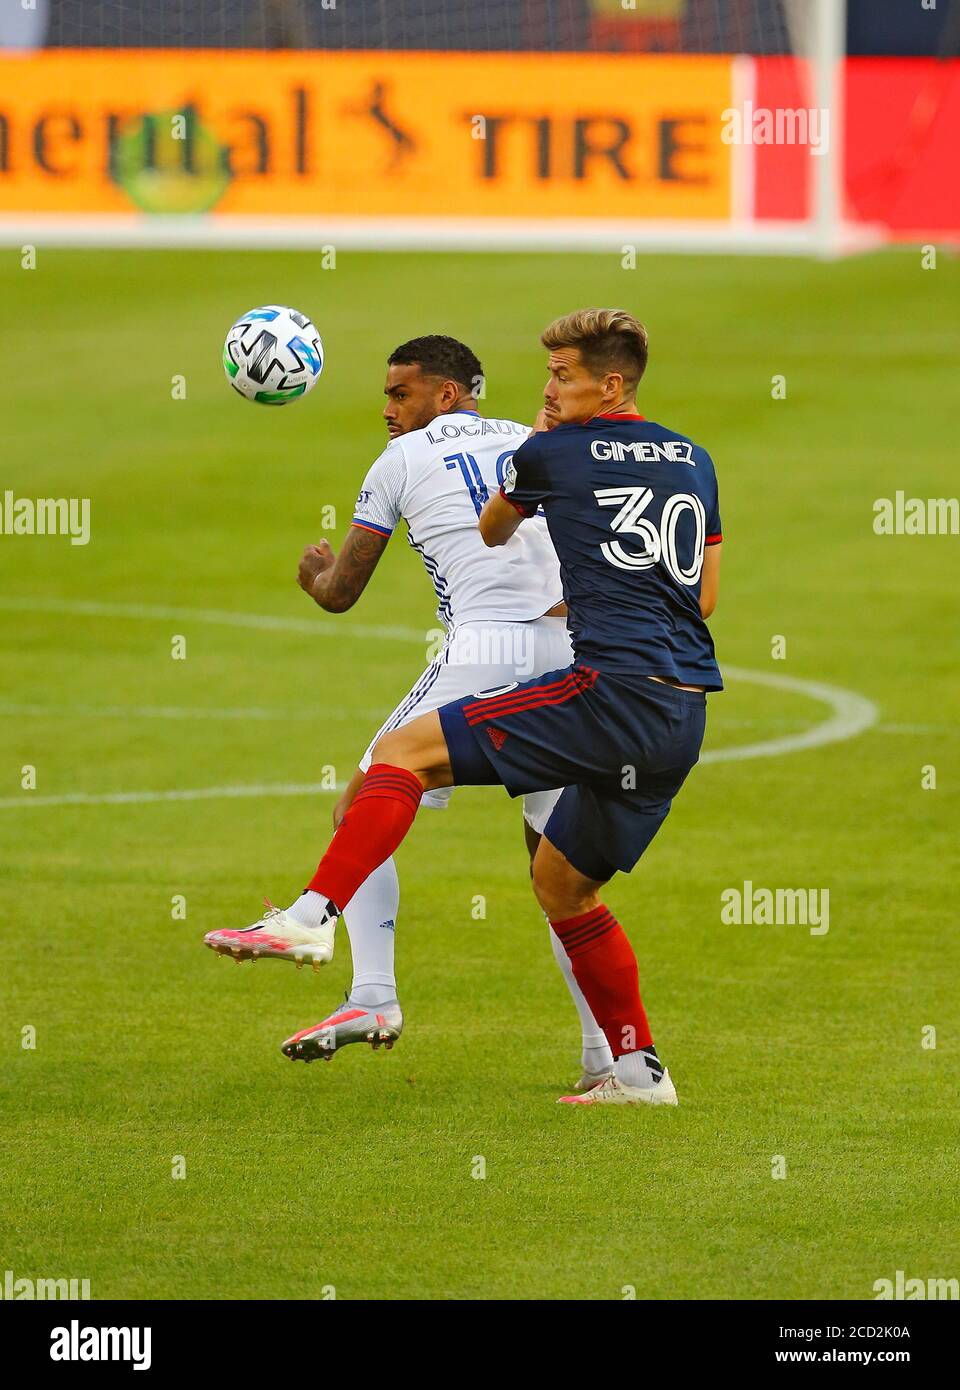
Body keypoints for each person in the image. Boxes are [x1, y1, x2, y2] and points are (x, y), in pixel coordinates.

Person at [205, 334, 617, 1091]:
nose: (389, 411)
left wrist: (313, 573)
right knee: (557, 873)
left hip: (485, 650)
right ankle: (608, 1059)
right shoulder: (535, 437)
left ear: (448, 395)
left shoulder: (400, 460)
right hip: (571, 652)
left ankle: (351, 970)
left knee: (363, 801)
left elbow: (341, 593)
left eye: (401, 395)